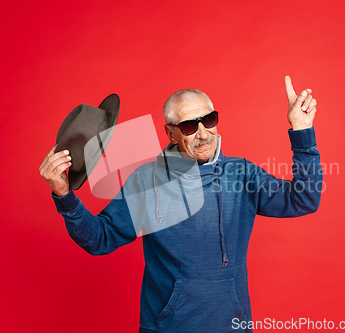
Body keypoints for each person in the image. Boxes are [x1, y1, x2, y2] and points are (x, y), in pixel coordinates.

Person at [39, 76, 322, 333]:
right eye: (189, 126)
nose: (203, 134)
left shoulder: (242, 175)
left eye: (209, 120)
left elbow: (304, 199)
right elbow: (99, 239)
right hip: (167, 327)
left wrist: (302, 132)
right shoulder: (147, 182)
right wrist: (64, 194)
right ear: (171, 133)